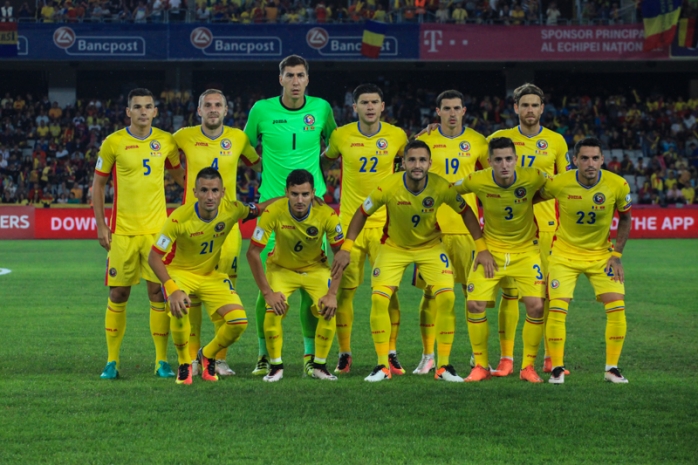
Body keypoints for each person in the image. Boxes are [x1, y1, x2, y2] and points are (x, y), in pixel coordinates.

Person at [333, 140, 485, 383]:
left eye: (422, 160)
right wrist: (347, 247)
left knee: (447, 297)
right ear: (403, 163)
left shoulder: (440, 186)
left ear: (429, 163)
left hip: (430, 247)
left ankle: (444, 366)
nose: (417, 165)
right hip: (394, 247)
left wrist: (481, 247)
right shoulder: (389, 186)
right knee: (378, 299)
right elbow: (362, 213)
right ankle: (382, 366)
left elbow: (466, 211)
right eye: (412, 160)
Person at [244, 55, 337, 377]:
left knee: (313, 283)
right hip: (273, 209)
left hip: (313, 208)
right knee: (267, 287)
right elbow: (246, 150)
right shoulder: (261, 110)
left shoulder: (322, 109)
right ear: (280, 78)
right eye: (289, 75)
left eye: (300, 75)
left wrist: (315, 187)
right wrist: (268, 178)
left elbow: (334, 147)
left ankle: (311, 356)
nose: (295, 81)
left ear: (307, 79)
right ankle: (263, 355)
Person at [92, 88, 184, 379]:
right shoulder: (113, 143)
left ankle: (161, 361)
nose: (143, 111)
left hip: (157, 233)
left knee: (158, 293)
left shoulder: (166, 142)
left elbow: (183, 179)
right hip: (122, 233)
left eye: (148, 106)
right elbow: (98, 185)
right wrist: (101, 224)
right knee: (118, 293)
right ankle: (112, 361)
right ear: (128, 112)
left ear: (156, 111)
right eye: (137, 107)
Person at [148, 168, 268, 384]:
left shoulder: (232, 210)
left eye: (214, 190)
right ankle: (185, 363)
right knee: (179, 306)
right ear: (195, 192)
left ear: (222, 192)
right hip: (181, 274)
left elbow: (259, 209)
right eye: (204, 190)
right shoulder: (179, 218)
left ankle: (207, 354)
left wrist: (287, 199)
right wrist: (171, 287)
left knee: (238, 322)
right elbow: (154, 256)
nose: (210, 196)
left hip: (211, 275)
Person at [173, 89, 261, 377]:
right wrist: (183, 184)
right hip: (192, 229)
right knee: (193, 295)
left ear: (226, 110)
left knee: (224, 290)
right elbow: (166, 159)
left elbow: (258, 163)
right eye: (207, 105)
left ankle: (218, 358)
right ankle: (193, 358)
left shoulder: (238, 138)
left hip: (227, 229)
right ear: (198, 110)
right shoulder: (183, 136)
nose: (213, 109)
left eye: (218, 105)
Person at [323, 83, 407, 375]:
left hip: (386, 226)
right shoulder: (341, 135)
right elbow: (325, 158)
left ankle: (391, 352)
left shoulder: (397, 136)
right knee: (344, 293)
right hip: (349, 227)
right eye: (364, 102)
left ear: (383, 106)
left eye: (375, 102)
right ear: (354, 107)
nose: (370, 107)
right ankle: (345, 353)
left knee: (388, 293)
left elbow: (414, 160)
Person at [486, 83, 569, 377]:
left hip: (546, 228)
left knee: (545, 295)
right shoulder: (499, 139)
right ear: (516, 108)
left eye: (535, 105)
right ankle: (506, 359)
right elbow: (474, 164)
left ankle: (549, 358)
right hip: (508, 231)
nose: (530, 110)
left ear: (542, 108)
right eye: (525, 105)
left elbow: (566, 184)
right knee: (510, 295)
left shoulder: (557, 142)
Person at [454, 137, 548, 383]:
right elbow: (448, 191)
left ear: (516, 160)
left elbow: (561, 187)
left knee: (536, 306)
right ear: (489, 161)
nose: (504, 164)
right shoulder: (478, 180)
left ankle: (528, 367)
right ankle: (481, 365)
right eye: (498, 160)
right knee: (474, 305)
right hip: (491, 252)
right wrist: (480, 246)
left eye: (509, 159)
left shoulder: (534, 176)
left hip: (526, 251)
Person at [540, 138, 632, 384]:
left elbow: (625, 218)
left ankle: (611, 368)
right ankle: (557, 368)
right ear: (574, 160)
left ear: (602, 159)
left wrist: (617, 255)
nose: (590, 163)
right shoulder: (560, 183)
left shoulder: (617, 184)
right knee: (558, 309)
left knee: (617, 307)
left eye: (595, 158)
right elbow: (528, 199)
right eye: (584, 158)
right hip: (563, 254)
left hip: (601, 255)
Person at [412, 90, 488, 374]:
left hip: (468, 231)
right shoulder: (425, 141)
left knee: (473, 295)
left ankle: (476, 355)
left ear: (464, 110)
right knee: (431, 294)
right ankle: (428, 355)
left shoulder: (479, 142)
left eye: (457, 108)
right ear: (438, 111)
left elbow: (490, 181)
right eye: (447, 108)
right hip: (432, 232)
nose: (452, 113)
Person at [246, 169, 346, 382]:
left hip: (316, 269)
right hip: (281, 269)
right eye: (294, 194)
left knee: (329, 309)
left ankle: (318, 365)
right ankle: (275, 367)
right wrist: (267, 293)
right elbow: (252, 252)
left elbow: (340, 255)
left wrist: (333, 293)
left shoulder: (327, 214)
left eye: (305, 194)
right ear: (286, 192)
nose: (299, 200)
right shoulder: (274, 211)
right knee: (273, 309)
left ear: (313, 193)